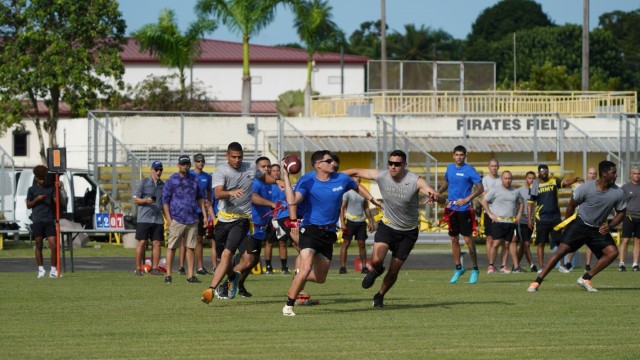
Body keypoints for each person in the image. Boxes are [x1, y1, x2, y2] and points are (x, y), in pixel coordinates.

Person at [280, 150, 379, 316]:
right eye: (329, 161)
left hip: (329, 232)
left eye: (333, 161)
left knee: (320, 278)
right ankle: (288, 306)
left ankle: (299, 275)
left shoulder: (341, 178)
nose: (333, 163)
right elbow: (292, 201)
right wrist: (286, 176)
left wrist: (371, 198)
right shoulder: (307, 180)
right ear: (318, 165)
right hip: (310, 228)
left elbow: (357, 187)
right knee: (306, 267)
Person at [343, 150, 437, 309]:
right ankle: (376, 271)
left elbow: (432, 192)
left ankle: (379, 296)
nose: (393, 167)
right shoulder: (382, 175)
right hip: (388, 226)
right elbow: (356, 171)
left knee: (394, 270)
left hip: (408, 232)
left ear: (404, 165)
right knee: (376, 261)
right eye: (390, 163)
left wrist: (436, 195)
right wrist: (333, 177)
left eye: (397, 164)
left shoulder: (415, 180)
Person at [527, 160, 626, 292]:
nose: (616, 175)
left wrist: (611, 225)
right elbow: (571, 205)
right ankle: (536, 282)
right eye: (613, 173)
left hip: (597, 229)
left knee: (612, 253)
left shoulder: (618, 193)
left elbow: (621, 212)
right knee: (561, 251)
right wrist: (567, 224)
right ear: (604, 174)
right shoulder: (586, 188)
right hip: (580, 224)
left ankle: (585, 278)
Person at [201, 143, 277, 301]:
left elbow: (264, 176)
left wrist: (277, 181)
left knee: (230, 253)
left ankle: (211, 288)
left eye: (240, 157)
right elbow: (218, 193)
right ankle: (233, 277)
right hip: (223, 219)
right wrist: (231, 192)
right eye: (233, 157)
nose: (237, 160)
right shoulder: (221, 171)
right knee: (223, 258)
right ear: (227, 156)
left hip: (242, 219)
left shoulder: (250, 167)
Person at [436, 145, 483, 284]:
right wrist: (438, 192)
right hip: (452, 209)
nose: (459, 157)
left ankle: (475, 269)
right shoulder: (450, 168)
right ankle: (458, 268)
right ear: (453, 155)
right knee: (454, 239)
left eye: (461, 155)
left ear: (465, 156)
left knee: (468, 240)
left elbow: (481, 188)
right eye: (457, 154)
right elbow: (447, 182)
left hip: (465, 210)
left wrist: (467, 199)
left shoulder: (469, 170)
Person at [528, 164, 582, 273]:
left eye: (546, 171)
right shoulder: (534, 185)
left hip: (555, 218)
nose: (544, 173)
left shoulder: (553, 181)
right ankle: (541, 266)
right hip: (541, 218)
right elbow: (530, 204)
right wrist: (530, 218)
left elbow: (565, 182)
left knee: (560, 243)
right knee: (541, 243)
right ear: (539, 172)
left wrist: (575, 179)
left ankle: (561, 266)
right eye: (542, 171)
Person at [161, 155, 206, 284]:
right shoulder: (171, 180)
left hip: (192, 218)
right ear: (178, 165)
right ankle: (168, 274)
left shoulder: (195, 180)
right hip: (177, 218)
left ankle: (190, 275)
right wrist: (168, 219)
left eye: (187, 164)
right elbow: (165, 201)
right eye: (182, 164)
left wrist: (204, 215)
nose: (185, 166)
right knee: (172, 247)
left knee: (191, 247)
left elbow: (200, 199)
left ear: (189, 165)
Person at [177, 153, 214, 276]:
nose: (201, 163)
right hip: (188, 210)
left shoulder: (206, 176)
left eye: (202, 161)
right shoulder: (190, 174)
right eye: (198, 161)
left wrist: (209, 202)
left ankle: (199, 267)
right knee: (184, 239)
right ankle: (181, 266)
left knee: (199, 239)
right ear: (194, 162)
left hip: (200, 211)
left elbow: (208, 190)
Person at [481, 171, 523, 274]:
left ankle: (503, 266)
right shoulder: (495, 190)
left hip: (510, 221)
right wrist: (490, 214)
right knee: (495, 243)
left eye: (509, 178)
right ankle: (491, 265)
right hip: (498, 221)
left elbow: (521, 203)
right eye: (505, 178)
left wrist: (519, 214)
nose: (507, 180)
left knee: (507, 244)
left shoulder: (516, 191)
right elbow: (484, 201)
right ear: (501, 179)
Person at [132, 161, 165, 276]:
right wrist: (146, 200)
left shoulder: (163, 185)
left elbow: (164, 203)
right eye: (156, 169)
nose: (158, 172)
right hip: (144, 219)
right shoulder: (144, 183)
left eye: (160, 170)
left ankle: (155, 268)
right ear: (152, 170)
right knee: (142, 242)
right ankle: (138, 268)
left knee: (156, 243)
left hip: (157, 219)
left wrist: (168, 219)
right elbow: (135, 199)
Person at [338, 174, 375, 274]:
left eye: (358, 177)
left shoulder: (363, 192)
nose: (357, 178)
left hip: (361, 221)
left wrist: (370, 221)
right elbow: (342, 207)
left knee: (362, 245)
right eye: (354, 177)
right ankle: (343, 267)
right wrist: (342, 222)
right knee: (346, 243)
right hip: (350, 221)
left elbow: (366, 208)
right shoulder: (348, 192)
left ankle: (364, 267)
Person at [27, 165, 58, 278]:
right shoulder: (32, 190)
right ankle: (41, 270)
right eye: (40, 178)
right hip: (37, 220)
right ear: (36, 178)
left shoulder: (51, 188)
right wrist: (37, 199)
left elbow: (56, 201)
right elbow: (28, 205)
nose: (42, 180)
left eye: (44, 178)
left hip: (49, 219)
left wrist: (59, 189)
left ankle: (53, 271)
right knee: (38, 245)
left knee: (54, 246)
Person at [264, 163, 290, 275]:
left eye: (277, 170)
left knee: (282, 242)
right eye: (273, 170)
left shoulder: (284, 185)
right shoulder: (266, 185)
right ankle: (268, 267)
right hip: (270, 217)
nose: (276, 172)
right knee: (269, 242)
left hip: (282, 217)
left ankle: (284, 267)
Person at [574, 167, 597, 271]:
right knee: (574, 240)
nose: (592, 175)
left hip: (593, 218)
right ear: (587, 174)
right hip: (581, 216)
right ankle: (569, 263)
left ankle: (587, 265)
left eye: (594, 173)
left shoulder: (599, 187)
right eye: (590, 173)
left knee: (590, 242)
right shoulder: (582, 187)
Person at [618, 166, 640, 272]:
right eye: (635, 173)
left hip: (639, 218)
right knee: (625, 240)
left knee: (638, 241)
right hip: (628, 217)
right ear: (631, 175)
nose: (636, 175)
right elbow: (619, 202)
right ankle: (621, 263)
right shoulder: (625, 188)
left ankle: (635, 264)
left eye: (638, 173)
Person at [514, 171, 537, 272]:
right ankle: (532, 265)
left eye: (533, 178)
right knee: (526, 243)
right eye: (529, 178)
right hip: (522, 218)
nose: (531, 180)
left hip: (532, 219)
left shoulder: (536, 191)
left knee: (524, 245)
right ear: (526, 179)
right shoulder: (520, 191)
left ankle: (515, 266)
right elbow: (516, 205)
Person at [482, 159, 501, 273]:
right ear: (488, 167)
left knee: (499, 240)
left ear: (498, 167)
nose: (494, 168)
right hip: (489, 211)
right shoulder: (484, 180)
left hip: (500, 212)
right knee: (489, 238)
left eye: (495, 166)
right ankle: (491, 265)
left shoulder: (501, 179)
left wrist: (491, 192)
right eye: (492, 166)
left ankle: (497, 264)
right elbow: (485, 194)